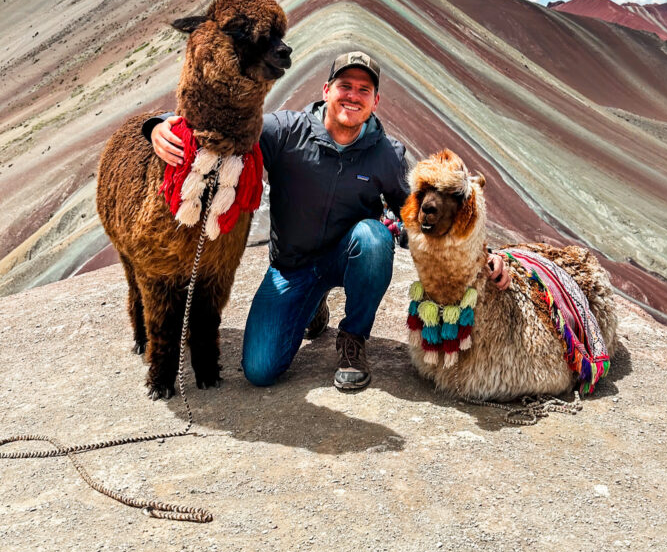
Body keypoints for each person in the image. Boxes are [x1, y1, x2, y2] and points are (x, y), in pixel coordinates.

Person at [146, 50, 509, 393]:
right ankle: (312, 306)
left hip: (350, 255)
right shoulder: (285, 131)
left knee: (374, 238)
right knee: (259, 371)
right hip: (292, 268)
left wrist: (484, 256)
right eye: (345, 87)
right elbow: (230, 131)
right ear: (326, 91)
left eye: (363, 90)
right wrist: (159, 126)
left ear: (375, 101)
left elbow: (418, 216)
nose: (353, 96)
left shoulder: (387, 155)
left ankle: (353, 339)